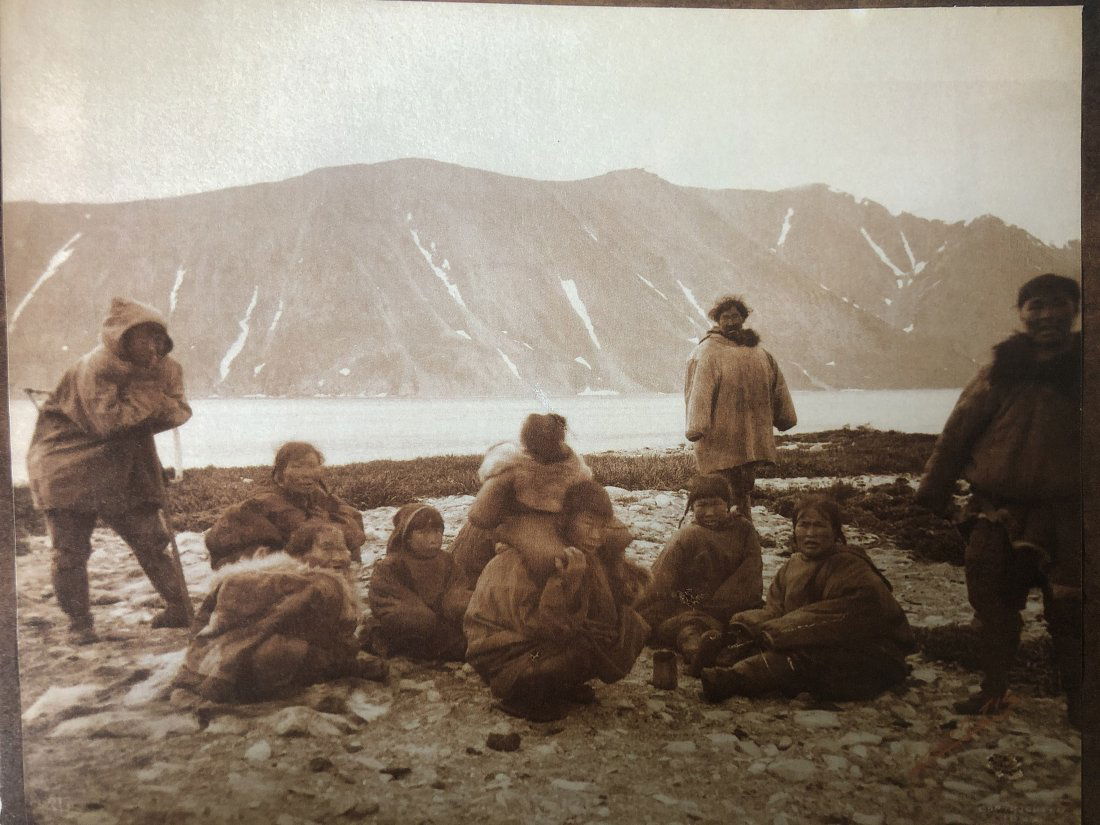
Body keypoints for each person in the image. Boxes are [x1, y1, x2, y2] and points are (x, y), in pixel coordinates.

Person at [915, 273, 1082, 726]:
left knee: (1073, 613)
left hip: (1071, 516)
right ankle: (993, 690)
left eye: (1058, 304)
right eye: (1035, 306)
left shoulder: (1089, 369)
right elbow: (956, 436)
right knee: (990, 606)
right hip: (997, 512)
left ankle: (1082, 705)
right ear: (1021, 313)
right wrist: (932, 495)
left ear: (1075, 310)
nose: (1046, 314)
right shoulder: (998, 371)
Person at [27, 297, 193, 643]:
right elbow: (109, 421)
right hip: (66, 462)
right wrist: (153, 399)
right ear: (122, 337)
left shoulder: (167, 367)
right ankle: (80, 623)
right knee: (69, 551)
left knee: (151, 541)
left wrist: (151, 405)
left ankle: (180, 607)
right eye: (143, 337)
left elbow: (180, 411)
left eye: (157, 337)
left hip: (125, 463)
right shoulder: (95, 367)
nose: (153, 346)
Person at [464, 480, 650, 722]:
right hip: (504, 654)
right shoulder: (524, 560)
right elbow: (540, 626)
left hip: (538, 643)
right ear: (565, 520)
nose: (596, 536)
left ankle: (558, 685)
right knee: (579, 650)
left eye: (602, 527)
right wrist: (565, 583)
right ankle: (520, 696)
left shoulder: (582, 555)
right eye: (588, 524)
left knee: (629, 627)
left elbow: (597, 609)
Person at [700, 496, 915, 703]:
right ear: (794, 529)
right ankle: (715, 660)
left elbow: (850, 614)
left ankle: (732, 680)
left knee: (801, 659)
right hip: (807, 638)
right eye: (803, 525)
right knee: (750, 637)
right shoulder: (792, 566)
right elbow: (776, 610)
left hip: (870, 655)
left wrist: (781, 630)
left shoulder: (851, 566)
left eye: (819, 526)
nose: (810, 533)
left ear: (835, 531)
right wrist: (746, 623)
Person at [173, 521, 387, 703]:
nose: (340, 557)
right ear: (300, 555)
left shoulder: (278, 577)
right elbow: (328, 641)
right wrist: (351, 663)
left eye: (343, 549)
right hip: (249, 667)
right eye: (328, 548)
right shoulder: (312, 585)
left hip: (213, 662)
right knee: (288, 651)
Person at [636, 474, 763, 676]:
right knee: (688, 628)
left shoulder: (744, 530)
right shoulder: (687, 536)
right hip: (692, 604)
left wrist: (716, 607)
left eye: (716, 504)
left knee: (754, 624)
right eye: (702, 505)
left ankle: (720, 646)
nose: (710, 512)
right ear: (692, 508)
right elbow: (660, 581)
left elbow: (750, 574)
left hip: (734, 607)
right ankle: (699, 655)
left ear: (728, 504)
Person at [451, 412, 595, 589]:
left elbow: (591, 504)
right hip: (505, 527)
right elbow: (480, 516)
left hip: (542, 527)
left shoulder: (572, 469)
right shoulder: (513, 465)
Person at [684, 294, 797, 521]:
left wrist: (785, 417)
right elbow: (699, 393)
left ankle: (743, 528)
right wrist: (696, 426)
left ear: (743, 319)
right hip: (719, 438)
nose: (731, 322)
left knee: (743, 487)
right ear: (717, 320)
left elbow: (778, 387)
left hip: (748, 439)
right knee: (717, 487)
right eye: (725, 317)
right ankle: (718, 529)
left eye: (735, 316)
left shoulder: (759, 353)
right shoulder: (708, 353)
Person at [204, 441, 366, 569]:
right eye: (297, 466)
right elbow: (305, 533)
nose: (307, 473)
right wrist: (327, 522)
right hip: (236, 561)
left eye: (312, 466)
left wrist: (332, 524)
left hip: (283, 552)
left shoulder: (313, 493)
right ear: (280, 473)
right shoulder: (267, 499)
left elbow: (353, 518)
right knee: (323, 544)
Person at [362, 503, 471, 661]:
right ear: (407, 538)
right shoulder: (391, 566)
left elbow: (459, 587)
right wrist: (424, 616)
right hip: (414, 627)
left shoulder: (447, 560)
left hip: (442, 623)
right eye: (423, 532)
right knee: (419, 621)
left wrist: (456, 603)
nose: (434, 539)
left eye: (437, 531)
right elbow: (387, 602)